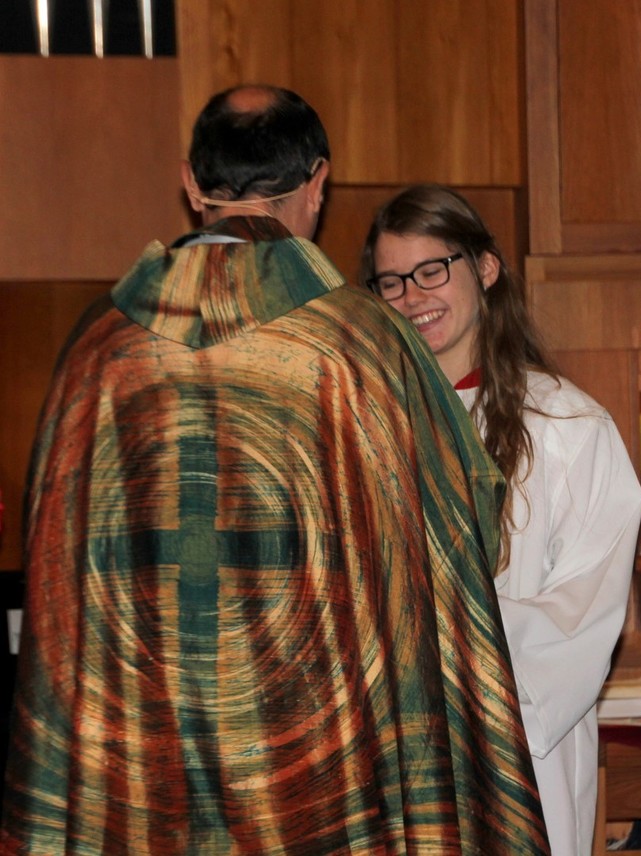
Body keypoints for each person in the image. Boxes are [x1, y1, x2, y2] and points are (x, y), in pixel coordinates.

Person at [1, 86, 549, 854]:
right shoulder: (365, 343)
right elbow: (459, 536)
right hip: (319, 770)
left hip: (142, 763)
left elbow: (57, 573)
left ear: (192, 183)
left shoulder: (98, 351)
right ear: (318, 183)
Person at [360, 184, 641, 856]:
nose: (413, 297)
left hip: (514, 748)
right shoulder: (363, 425)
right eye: (392, 282)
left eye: (433, 271)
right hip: (388, 756)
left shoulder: (568, 426)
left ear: (485, 269)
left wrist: (441, 648)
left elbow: (583, 610)